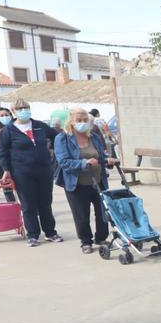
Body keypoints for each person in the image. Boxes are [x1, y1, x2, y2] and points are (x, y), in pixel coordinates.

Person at [0, 100, 63, 247]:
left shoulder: (39, 125)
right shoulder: (8, 131)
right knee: (28, 204)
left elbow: (57, 137)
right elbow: (3, 152)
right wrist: (6, 170)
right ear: (13, 112)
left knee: (45, 202)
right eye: (19, 108)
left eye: (25, 108)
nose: (23, 111)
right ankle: (33, 234)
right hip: (22, 172)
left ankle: (50, 232)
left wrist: (55, 152)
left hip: (44, 169)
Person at [54, 108, 117, 253]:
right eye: (78, 120)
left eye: (85, 120)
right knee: (81, 215)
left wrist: (107, 160)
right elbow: (63, 162)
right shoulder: (62, 138)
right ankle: (85, 241)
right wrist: (83, 163)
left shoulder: (93, 137)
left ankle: (101, 238)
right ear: (71, 121)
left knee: (102, 212)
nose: (82, 123)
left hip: (98, 181)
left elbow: (99, 157)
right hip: (76, 183)